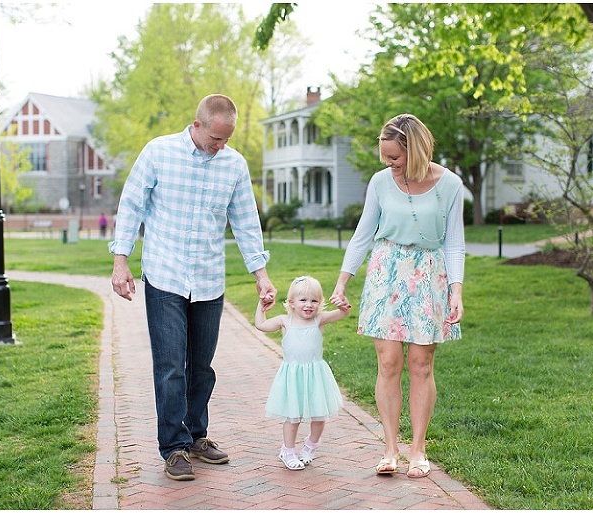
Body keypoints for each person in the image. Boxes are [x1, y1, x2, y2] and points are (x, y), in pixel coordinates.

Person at [109, 94, 277, 481]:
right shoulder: (158, 152)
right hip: (165, 275)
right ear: (198, 125)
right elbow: (131, 205)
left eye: (227, 139)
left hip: (208, 279)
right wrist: (121, 261)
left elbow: (246, 222)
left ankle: (196, 436)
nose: (222, 146)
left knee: (201, 367)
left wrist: (261, 274)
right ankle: (173, 447)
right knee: (170, 368)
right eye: (216, 138)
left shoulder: (233, 164)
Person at [329, 113, 464, 479]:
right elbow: (362, 235)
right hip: (386, 272)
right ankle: (390, 447)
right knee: (388, 363)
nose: (388, 163)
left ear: (417, 150)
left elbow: (454, 242)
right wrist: (342, 282)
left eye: (395, 157)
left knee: (421, 364)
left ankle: (418, 450)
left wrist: (457, 291)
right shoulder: (380, 182)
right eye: (385, 156)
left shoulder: (449, 184)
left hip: (429, 276)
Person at [255, 276, 350, 470]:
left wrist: (343, 304)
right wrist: (261, 306)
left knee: (319, 415)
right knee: (293, 416)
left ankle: (310, 445)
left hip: (315, 375)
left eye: (314, 301)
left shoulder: (319, 320)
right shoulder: (285, 321)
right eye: (303, 300)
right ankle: (288, 451)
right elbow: (261, 325)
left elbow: (342, 314)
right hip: (293, 376)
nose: (309, 305)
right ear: (291, 302)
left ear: (320, 303)